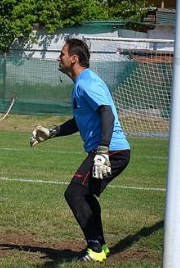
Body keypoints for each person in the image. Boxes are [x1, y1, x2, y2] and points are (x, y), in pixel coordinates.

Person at [30, 38, 130, 263]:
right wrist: (52, 132)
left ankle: (94, 246)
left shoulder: (87, 83)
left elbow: (107, 113)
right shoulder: (80, 84)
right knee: (84, 194)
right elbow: (79, 121)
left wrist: (103, 149)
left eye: (62, 53)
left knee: (74, 193)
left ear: (73, 59)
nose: (59, 57)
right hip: (110, 149)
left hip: (110, 150)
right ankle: (100, 246)